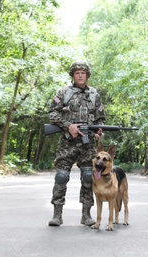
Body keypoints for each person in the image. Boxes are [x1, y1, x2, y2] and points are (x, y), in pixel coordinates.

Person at [48, 61, 105, 226]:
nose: (80, 75)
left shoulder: (94, 95)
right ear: (73, 75)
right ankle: (57, 215)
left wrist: (98, 131)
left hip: (87, 145)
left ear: (87, 75)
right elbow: (52, 113)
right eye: (77, 73)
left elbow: (100, 119)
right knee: (61, 177)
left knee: (88, 177)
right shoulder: (64, 92)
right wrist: (69, 126)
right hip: (67, 142)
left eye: (83, 73)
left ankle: (86, 215)